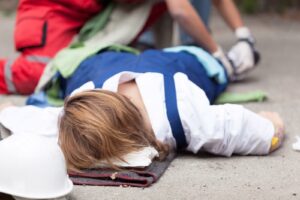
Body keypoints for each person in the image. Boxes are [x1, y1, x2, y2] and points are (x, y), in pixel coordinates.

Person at [50, 48, 283, 171]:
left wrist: (273, 130)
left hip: (184, 61)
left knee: (214, 65)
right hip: (103, 62)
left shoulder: (182, 115)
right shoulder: (85, 96)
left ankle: (229, 61)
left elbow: (240, 129)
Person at [0, 0, 253, 95]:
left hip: (92, 11)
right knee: (40, 75)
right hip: (51, 9)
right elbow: (180, 10)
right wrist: (217, 53)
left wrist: (244, 37)